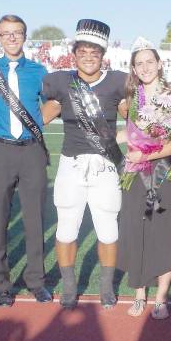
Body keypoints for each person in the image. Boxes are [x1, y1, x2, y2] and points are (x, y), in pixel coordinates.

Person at [41, 19, 126, 309]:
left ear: (103, 55)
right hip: (72, 165)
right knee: (66, 228)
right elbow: (39, 116)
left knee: (108, 229)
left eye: (95, 52)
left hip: (105, 166)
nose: (89, 57)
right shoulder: (61, 82)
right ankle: (68, 285)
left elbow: (137, 116)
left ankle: (105, 287)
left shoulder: (117, 82)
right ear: (74, 53)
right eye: (83, 51)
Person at [0, 14, 52, 306]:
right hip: (0, 151)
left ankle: (36, 280)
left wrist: (38, 122)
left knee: (34, 219)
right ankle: (0, 284)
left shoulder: (39, 71)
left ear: (25, 36)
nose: (12, 38)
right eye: (6, 33)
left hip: (32, 150)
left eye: (17, 33)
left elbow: (53, 102)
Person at [116, 37, 171, 320]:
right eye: (138, 63)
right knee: (135, 231)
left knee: (163, 233)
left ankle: (161, 297)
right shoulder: (130, 101)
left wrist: (148, 156)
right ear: (133, 68)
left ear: (159, 64)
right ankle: (140, 293)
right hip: (134, 174)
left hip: (162, 173)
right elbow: (127, 135)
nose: (144, 67)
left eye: (149, 62)